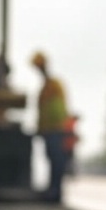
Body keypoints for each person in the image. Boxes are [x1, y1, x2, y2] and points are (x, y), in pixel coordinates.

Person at [30, 51, 70, 202]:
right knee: (52, 160)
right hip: (49, 130)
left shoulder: (53, 85)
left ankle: (56, 192)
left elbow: (56, 109)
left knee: (57, 161)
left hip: (57, 130)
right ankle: (53, 190)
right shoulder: (46, 87)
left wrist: (57, 127)